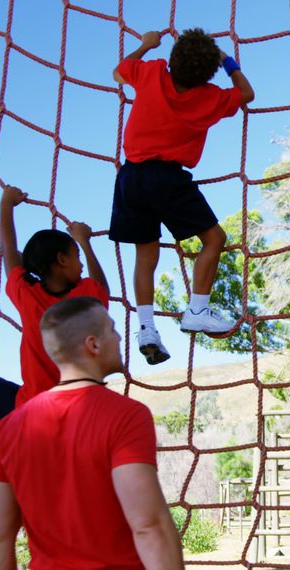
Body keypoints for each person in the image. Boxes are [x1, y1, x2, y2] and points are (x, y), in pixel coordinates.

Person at [0, 296, 182, 569]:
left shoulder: (9, 428)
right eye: (112, 330)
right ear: (94, 344)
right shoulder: (126, 416)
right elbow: (149, 526)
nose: (119, 338)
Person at [110, 28, 256, 365]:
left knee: (145, 256)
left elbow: (118, 72)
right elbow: (247, 93)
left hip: (131, 177)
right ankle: (197, 309)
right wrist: (227, 61)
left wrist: (146, 46)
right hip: (168, 179)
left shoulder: (151, 71)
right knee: (214, 239)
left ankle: (147, 328)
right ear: (207, 74)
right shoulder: (210, 97)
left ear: (173, 61)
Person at [0, 183, 109, 435]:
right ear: (62, 260)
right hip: (77, 415)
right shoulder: (85, 298)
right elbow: (102, 286)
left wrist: (6, 204)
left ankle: (11, 446)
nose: (81, 265)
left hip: (32, 408)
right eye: (77, 257)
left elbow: (8, 250)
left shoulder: (27, 294)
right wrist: (84, 241)